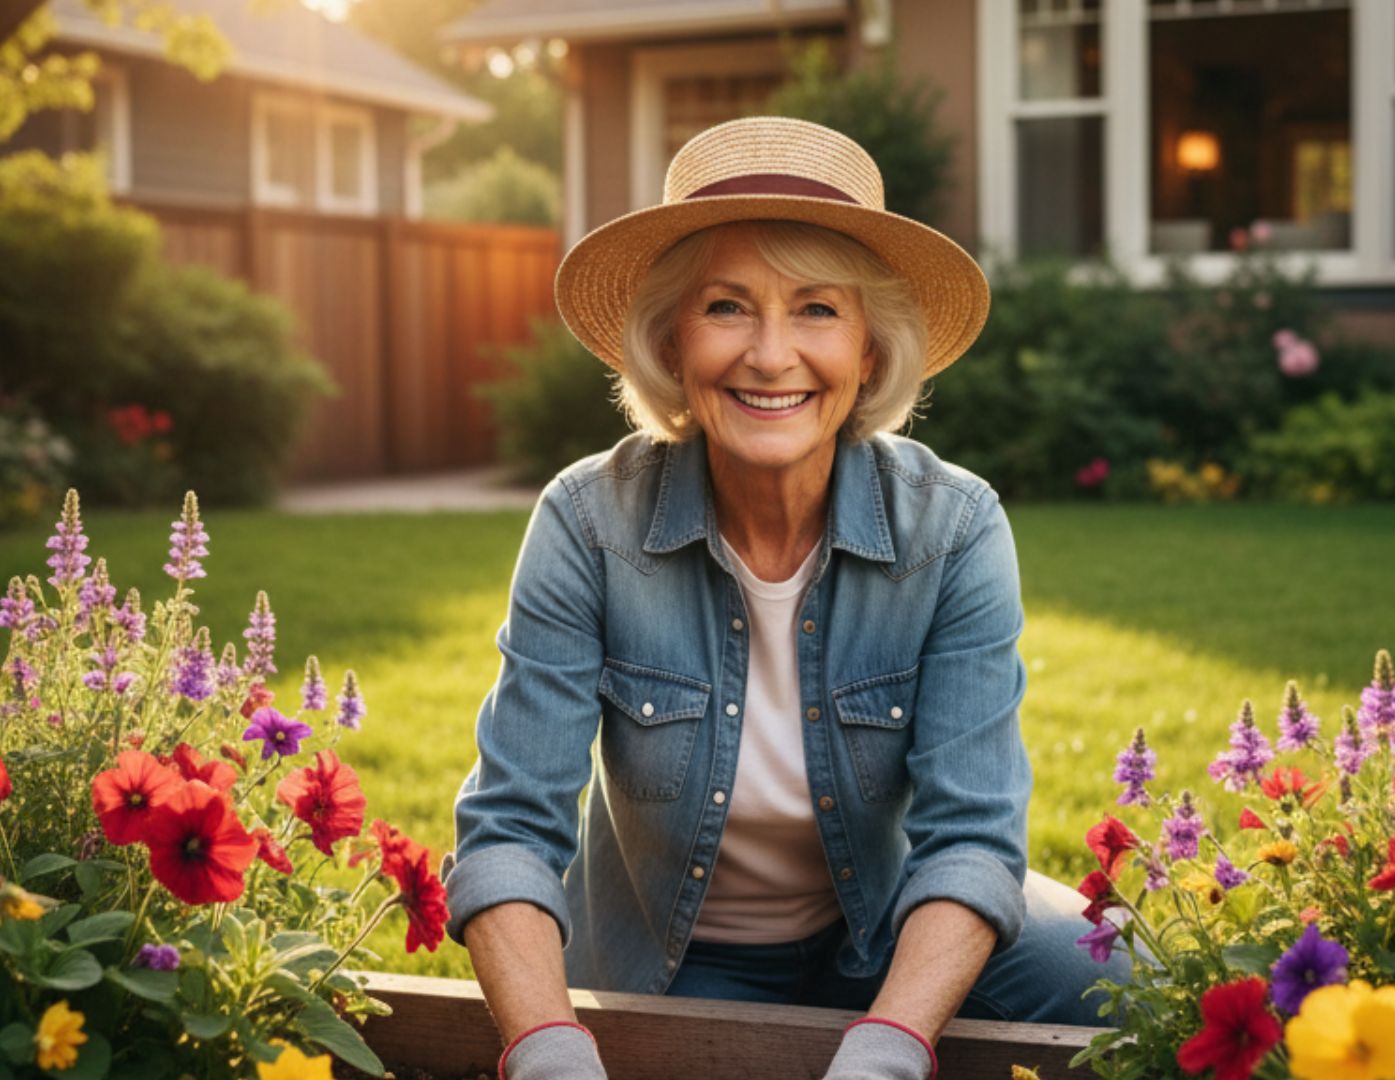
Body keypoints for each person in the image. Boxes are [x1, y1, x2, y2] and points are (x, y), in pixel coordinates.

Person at [440, 117, 1125, 1080]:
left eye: (816, 310)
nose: (770, 355)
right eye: (727, 307)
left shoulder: (954, 527)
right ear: (674, 344)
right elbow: (511, 829)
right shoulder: (588, 522)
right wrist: (548, 1046)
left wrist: (889, 1046)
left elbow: (972, 839)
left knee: (1129, 988)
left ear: (870, 353)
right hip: (675, 963)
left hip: (890, 930)